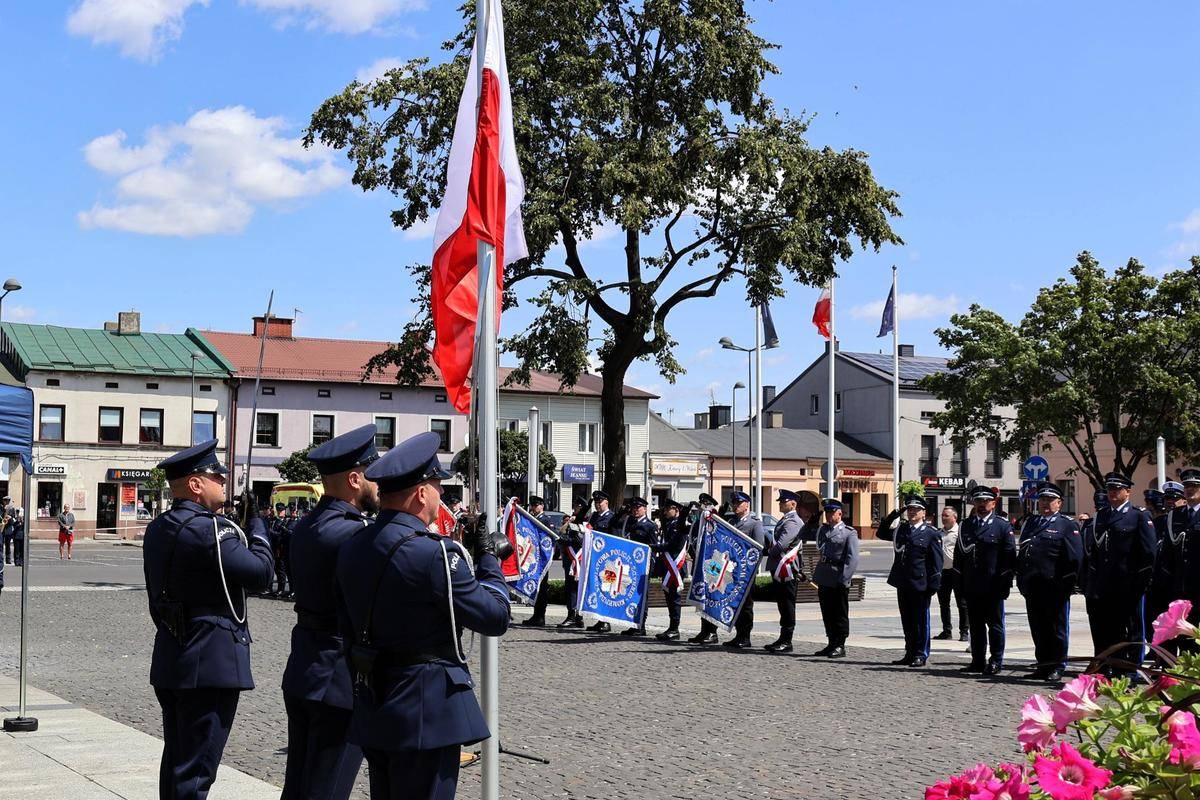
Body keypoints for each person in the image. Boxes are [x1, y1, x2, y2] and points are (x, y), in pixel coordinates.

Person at [334, 431, 510, 800]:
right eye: (437, 487)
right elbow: (494, 616)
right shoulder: (434, 553)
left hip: (376, 701)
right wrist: (490, 560)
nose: (441, 495)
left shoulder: (353, 545)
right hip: (427, 710)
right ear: (421, 494)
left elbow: (346, 626)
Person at [142, 439, 274, 800]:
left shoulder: (159, 527)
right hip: (210, 662)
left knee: (178, 763)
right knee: (196, 773)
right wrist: (257, 526)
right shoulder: (211, 530)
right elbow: (261, 574)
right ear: (196, 484)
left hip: (173, 654)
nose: (223, 481)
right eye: (216, 476)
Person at [281, 425, 381, 800]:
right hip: (337, 677)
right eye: (373, 475)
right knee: (327, 790)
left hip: (306, 666)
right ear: (355, 479)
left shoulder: (307, 526)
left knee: (299, 787)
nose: (379, 484)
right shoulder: (354, 533)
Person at [1082, 472, 1156, 674]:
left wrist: (1139, 584)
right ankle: (1106, 667)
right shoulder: (1101, 516)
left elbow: (1149, 553)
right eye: (1110, 489)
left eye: (1117, 489)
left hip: (1128, 584)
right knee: (1105, 629)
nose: (1112, 493)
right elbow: (1094, 553)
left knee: (1131, 630)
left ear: (1128, 492)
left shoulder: (1138, 515)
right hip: (1103, 585)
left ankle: (1129, 670)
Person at [1017, 482, 1083, 683]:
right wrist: (1022, 579)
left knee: (1057, 629)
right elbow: (1024, 553)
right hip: (1033, 585)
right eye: (1042, 500)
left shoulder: (1067, 525)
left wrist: (1067, 585)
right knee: (1038, 628)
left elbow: (1075, 558)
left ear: (1059, 503)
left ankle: (1058, 665)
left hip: (1055, 587)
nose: (1045, 503)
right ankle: (1043, 664)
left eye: (1050, 500)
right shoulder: (1031, 523)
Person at [876, 495, 943, 668]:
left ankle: (921, 654)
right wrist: (893, 515)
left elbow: (936, 562)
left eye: (916, 510)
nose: (912, 512)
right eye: (910, 509)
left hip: (921, 583)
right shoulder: (902, 529)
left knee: (921, 621)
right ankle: (910, 652)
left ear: (923, 513)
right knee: (907, 620)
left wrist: (933, 585)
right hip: (903, 581)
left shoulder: (930, 533)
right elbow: (881, 533)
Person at [956, 486, 1016, 676]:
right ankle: (978, 661)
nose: (982, 504)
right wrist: (960, 584)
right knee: (975, 626)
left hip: (993, 586)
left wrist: (1005, 583)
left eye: (985, 501)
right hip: (972, 585)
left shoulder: (1002, 525)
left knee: (995, 626)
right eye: (978, 501)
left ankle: (996, 661)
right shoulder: (966, 525)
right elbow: (959, 557)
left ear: (993, 503)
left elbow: (1009, 558)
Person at [811, 498, 859, 658]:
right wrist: (812, 520)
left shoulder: (849, 532)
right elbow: (803, 534)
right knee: (827, 612)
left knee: (839, 613)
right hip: (824, 575)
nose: (829, 515)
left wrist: (844, 578)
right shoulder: (823, 530)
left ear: (840, 514)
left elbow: (852, 558)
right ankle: (831, 642)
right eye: (827, 513)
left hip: (838, 576)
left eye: (832, 512)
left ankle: (840, 644)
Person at [723, 491, 766, 649]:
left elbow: (759, 547)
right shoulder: (732, 522)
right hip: (732, 570)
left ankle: (745, 636)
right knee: (735, 602)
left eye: (738, 503)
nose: (735, 506)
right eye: (734, 503)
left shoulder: (755, 524)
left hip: (746, 572)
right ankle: (738, 634)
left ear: (747, 505)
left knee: (746, 604)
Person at [764, 489, 806, 653]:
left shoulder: (793, 521)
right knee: (782, 604)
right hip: (781, 568)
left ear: (793, 504)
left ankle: (787, 640)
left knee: (787, 605)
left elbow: (782, 544)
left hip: (787, 569)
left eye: (783, 502)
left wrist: (768, 551)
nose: (780, 504)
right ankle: (783, 638)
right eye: (780, 502)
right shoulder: (785, 519)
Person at [1147, 481, 1188, 631]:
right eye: (1167, 499)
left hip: (1183, 581)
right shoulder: (1159, 522)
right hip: (1161, 580)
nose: (1170, 502)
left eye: (1175, 499)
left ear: (1184, 500)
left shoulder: (1188, 519)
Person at [686, 493, 723, 645]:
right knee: (702, 596)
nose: (702, 507)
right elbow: (692, 538)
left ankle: (712, 632)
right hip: (700, 563)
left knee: (711, 596)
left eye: (705, 504)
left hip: (713, 564)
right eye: (701, 504)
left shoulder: (715, 520)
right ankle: (704, 630)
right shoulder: (699, 521)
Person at [619, 498, 658, 637]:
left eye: (638, 508)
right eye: (634, 508)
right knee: (631, 596)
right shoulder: (631, 523)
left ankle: (641, 625)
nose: (635, 510)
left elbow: (654, 548)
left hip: (643, 567)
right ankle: (633, 623)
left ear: (645, 509)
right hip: (631, 566)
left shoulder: (650, 526)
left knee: (641, 597)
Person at [653, 500, 688, 641]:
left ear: (676, 510)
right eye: (665, 509)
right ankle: (672, 627)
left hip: (676, 566)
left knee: (674, 599)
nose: (665, 511)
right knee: (669, 598)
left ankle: (674, 629)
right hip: (668, 566)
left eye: (668, 509)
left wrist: (654, 547)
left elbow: (674, 545)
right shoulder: (669, 523)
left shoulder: (679, 525)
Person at [934, 507, 969, 642]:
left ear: (955, 517)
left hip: (957, 572)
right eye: (942, 515)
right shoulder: (939, 533)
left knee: (962, 603)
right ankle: (946, 630)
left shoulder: (960, 532)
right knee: (944, 603)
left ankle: (964, 631)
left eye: (946, 515)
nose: (943, 518)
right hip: (943, 572)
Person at [556, 497, 589, 629]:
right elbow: (562, 532)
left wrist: (566, 540)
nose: (574, 509)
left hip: (578, 561)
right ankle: (574, 616)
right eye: (574, 507)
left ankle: (575, 617)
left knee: (575, 590)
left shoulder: (585, 523)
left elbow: (580, 541)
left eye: (577, 507)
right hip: (570, 560)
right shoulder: (573, 521)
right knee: (571, 589)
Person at [521, 496, 555, 627]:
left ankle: (540, 616)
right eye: (532, 505)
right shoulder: (533, 519)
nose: (533, 508)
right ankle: (536, 615)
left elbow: (549, 538)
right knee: (537, 588)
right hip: (534, 558)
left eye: (536, 505)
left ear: (542, 506)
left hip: (542, 559)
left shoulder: (546, 520)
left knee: (542, 589)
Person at [585, 491, 615, 633]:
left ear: (606, 503)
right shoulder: (594, 516)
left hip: (608, 560)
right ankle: (600, 619)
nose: (597, 505)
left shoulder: (612, 517)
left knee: (607, 589)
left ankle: (606, 621)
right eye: (596, 503)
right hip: (596, 558)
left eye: (600, 502)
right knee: (598, 589)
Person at [2, 496, 14, 565]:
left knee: (8, 546)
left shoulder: (12, 509)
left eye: (8, 501)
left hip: (8, 530)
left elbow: (13, 520)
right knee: (1, 545)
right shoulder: (2, 508)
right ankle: (1, 558)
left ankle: (8, 559)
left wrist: (10, 518)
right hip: (2, 529)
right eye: (6, 501)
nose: (7, 502)